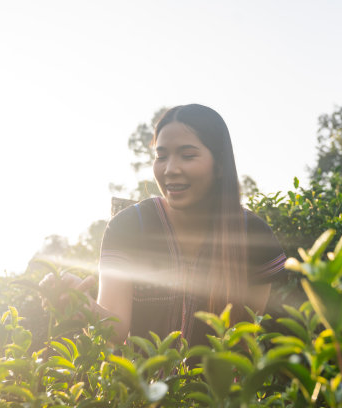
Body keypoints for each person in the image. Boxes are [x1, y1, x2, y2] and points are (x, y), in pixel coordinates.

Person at [42, 104, 286, 347]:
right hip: (139, 384)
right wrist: (80, 304)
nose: (170, 169)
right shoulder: (128, 227)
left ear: (220, 165)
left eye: (188, 156)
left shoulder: (254, 237)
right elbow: (115, 331)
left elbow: (243, 342)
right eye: (161, 156)